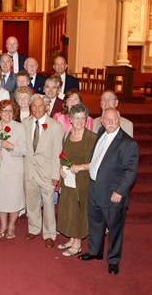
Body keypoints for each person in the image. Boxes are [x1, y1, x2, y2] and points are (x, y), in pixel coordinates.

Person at [78, 108, 138, 275]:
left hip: (113, 193)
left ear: (119, 120)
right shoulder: (101, 132)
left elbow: (130, 171)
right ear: (102, 121)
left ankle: (113, 260)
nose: (110, 123)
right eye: (107, 120)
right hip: (95, 187)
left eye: (114, 119)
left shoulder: (128, 143)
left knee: (115, 228)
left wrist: (120, 191)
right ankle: (95, 251)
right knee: (95, 223)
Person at [23, 94, 63, 248]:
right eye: (34, 106)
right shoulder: (25, 123)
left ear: (46, 107)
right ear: (31, 108)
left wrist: (55, 175)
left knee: (48, 204)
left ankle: (49, 234)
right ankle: (34, 228)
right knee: (31, 202)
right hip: (29, 171)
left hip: (47, 173)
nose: (37, 109)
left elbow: (57, 152)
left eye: (40, 106)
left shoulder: (55, 126)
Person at [57, 104, 96, 257]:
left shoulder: (91, 138)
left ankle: (78, 244)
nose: (79, 121)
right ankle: (72, 239)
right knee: (69, 209)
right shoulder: (67, 135)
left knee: (79, 211)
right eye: (76, 118)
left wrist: (81, 166)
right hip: (68, 181)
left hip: (83, 181)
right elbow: (63, 156)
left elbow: (98, 162)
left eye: (82, 118)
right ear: (70, 120)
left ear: (86, 120)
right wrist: (61, 168)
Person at [0, 100, 27, 239]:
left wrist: (12, 147)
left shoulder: (20, 127)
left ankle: (11, 225)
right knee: (0, 199)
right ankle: (3, 225)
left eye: (10, 110)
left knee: (13, 199)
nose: (8, 113)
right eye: (5, 110)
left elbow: (25, 150)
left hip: (14, 169)